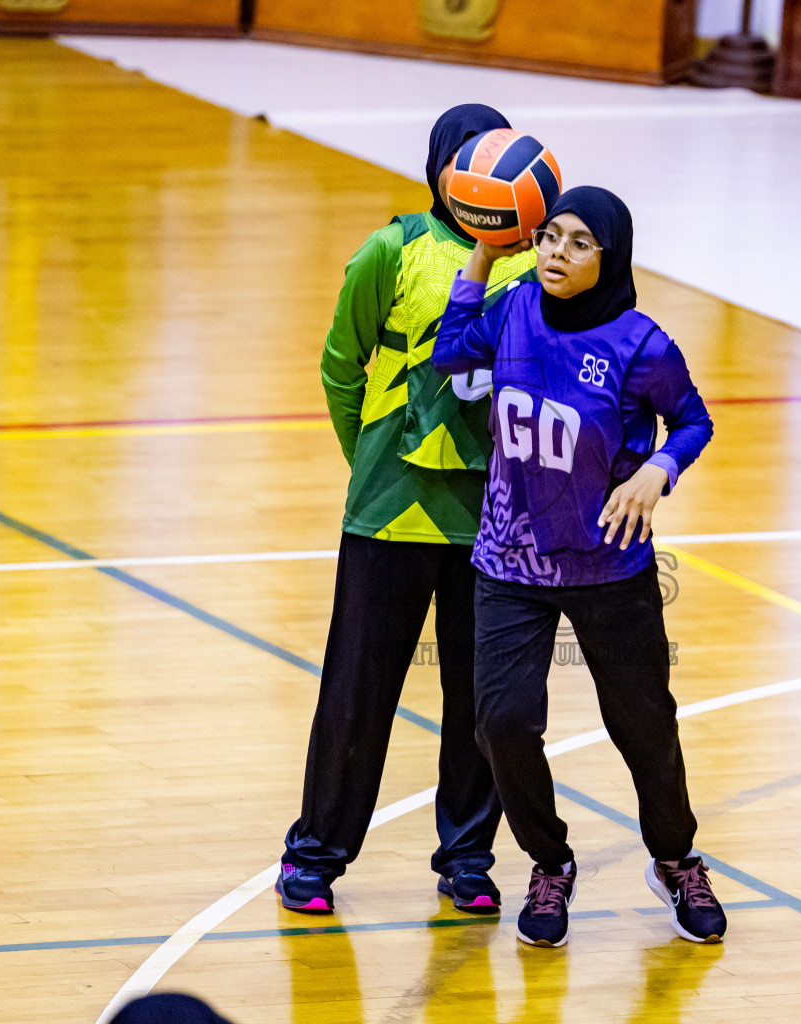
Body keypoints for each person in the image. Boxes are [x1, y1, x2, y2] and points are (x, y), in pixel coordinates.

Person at [432, 186, 726, 947]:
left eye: (578, 243)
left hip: (610, 564)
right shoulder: (517, 307)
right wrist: (485, 254)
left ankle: (675, 858)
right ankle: (549, 863)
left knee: (644, 726)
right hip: (510, 558)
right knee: (499, 721)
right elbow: (451, 347)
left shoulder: (643, 346)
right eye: (550, 237)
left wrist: (658, 469)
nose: (556, 253)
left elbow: (693, 419)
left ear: (611, 257)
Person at [277, 104, 539, 915]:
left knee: (481, 703)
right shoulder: (390, 249)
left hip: (490, 518)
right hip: (389, 512)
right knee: (358, 690)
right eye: (466, 157)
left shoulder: (533, 268)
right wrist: (369, 460)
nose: (480, 174)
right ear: (440, 166)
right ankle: (314, 856)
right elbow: (339, 364)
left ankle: (467, 860)